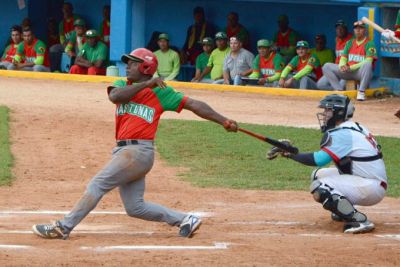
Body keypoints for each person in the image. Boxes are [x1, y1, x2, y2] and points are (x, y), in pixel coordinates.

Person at [32, 47, 239, 240]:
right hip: (125, 152)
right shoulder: (123, 86)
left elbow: (194, 105)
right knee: (135, 207)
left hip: (138, 151)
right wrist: (147, 84)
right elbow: (115, 97)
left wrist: (223, 121)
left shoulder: (161, 93)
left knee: (97, 184)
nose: (127, 66)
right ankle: (185, 219)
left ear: (145, 67)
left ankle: (64, 227)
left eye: (132, 63)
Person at [267, 94, 387, 234]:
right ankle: (344, 209)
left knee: (321, 187)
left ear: (338, 113)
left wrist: (291, 154)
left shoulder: (342, 134)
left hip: (370, 187)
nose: (324, 114)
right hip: (367, 179)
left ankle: (359, 220)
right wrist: (291, 153)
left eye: (327, 110)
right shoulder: (355, 127)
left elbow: (319, 159)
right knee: (318, 175)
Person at [322, 21, 377, 101]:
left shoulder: (369, 43)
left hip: (360, 72)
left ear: (364, 30)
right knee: (326, 66)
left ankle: (361, 92)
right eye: (356, 28)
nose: (358, 30)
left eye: (361, 28)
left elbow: (369, 60)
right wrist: (342, 66)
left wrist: (350, 67)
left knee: (368, 64)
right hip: (348, 71)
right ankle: (339, 91)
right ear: (354, 30)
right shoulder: (350, 42)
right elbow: (343, 58)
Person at [317, 20, 353, 90]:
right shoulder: (337, 39)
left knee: (341, 86)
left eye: (341, 28)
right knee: (320, 85)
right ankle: (336, 92)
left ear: (346, 29)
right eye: (337, 28)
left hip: (347, 70)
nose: (339, 30)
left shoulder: (352, 40)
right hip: (337, 68)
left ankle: (338, 92)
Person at [50, 2, 80, 72]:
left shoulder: (76, 19)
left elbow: (80, 33)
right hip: (66, 44)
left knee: (77, 48)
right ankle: (56, 69)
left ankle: (75, 68)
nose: (65, 11)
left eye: (67, 9)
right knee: (53, 49)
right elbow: (62, 38)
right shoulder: (61, 23)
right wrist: (64, 45)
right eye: (64, 9)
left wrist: (70, 47)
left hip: (76, 43)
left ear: (71, 9)